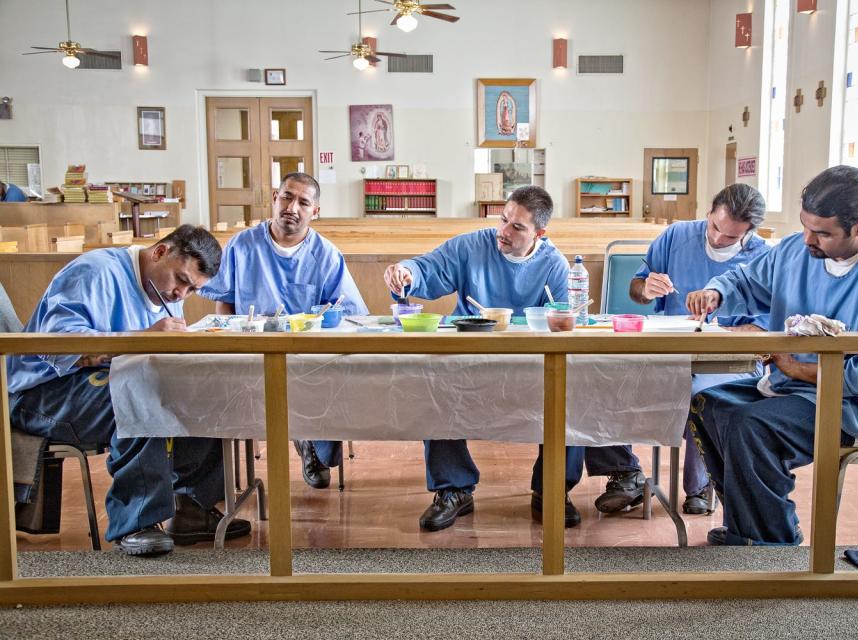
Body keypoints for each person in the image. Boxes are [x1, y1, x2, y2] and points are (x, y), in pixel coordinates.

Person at [685, 165, 858, 546]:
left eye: (822, 233)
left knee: (752, 425)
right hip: (792, 385)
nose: (807, 239)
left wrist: (800, 370)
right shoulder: (796, 251)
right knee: (706, 404)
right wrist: (716, 292)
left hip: (856, 405)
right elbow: (747, 280)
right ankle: (749, 528)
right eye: (805, 226)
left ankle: (772, 545)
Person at [7, 225, 251, 557]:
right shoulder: (95, 271)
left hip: (97, 385)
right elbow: (57, 345)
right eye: (180, 280)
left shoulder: (167, 293)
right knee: (138, 390)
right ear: (160, 252)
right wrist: (144, 338)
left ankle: (192, 506)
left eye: (192, 289)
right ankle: (136, 522)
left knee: (198, 387)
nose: (181, 294)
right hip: (42, 391)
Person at [382, 185, 582, 531]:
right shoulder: (472, 245)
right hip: (469, 357)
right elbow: (429, 267)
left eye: (517, 227)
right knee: (434, 379)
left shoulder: (555, 266)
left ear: (540, 233)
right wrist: (407, 272)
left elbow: (563, 322)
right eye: (503, 219)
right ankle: (453, 488)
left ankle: (551, 487)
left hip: (532, 363)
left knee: (570, 385)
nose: (503, 231)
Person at [586, 184, 770, 517]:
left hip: (730, 362)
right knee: (601, 378)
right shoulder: (677, 237)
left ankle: (701, 483)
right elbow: (637, 290)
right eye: (714, 227)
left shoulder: (764, 257)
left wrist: (726, 332)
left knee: (701, 393)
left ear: (749, 234)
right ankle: (625, 471)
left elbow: (769, 324)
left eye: (730, 238)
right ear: (708, 213)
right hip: (671, 351)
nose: (717, 239)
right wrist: (647, 287)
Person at [200, 172, 367, 490]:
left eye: (304, 202)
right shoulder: (242, 246)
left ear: (314, 212)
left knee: (336, 374)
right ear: (274, 198)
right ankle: (213, 483)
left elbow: (346, 311)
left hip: (309, 354)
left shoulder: (327, 255)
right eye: (287, 197)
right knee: (210, 382)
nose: (293, 207)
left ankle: (314, 447)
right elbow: (224, 302)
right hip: (254, 350)